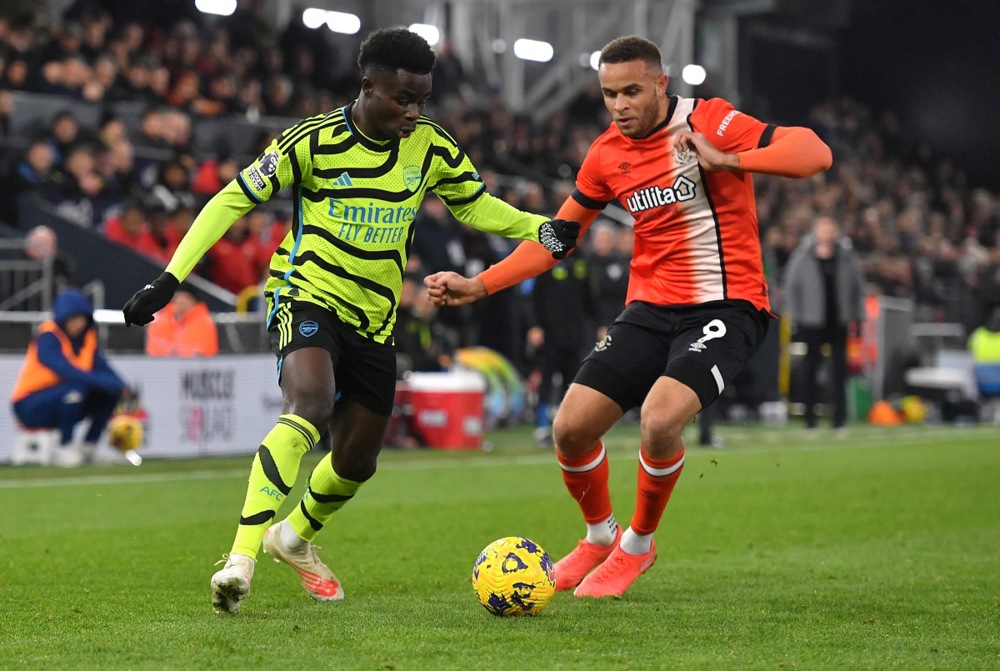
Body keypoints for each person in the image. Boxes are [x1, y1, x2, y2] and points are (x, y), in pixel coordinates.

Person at [121, 27, 580, 615]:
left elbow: (473, 204)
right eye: (403, 99)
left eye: (423, 101)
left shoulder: (431, 148)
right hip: (306, 294)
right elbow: (232, 199)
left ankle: (292, 538)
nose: (415, 112)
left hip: (376, 316)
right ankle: (239, 560)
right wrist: (168, 280)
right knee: (308, 405)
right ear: (369, 87)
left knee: (357, 460)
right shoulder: (311, 141)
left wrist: (537, 226)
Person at [425, 35, 832, 597]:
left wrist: (730, 159)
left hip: (727, 303)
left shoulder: (708, 121)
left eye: (632, 91)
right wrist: (480, 283)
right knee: (570, 428)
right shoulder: (605, 155)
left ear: (661, 85)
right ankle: (598, 536)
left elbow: (815, 152)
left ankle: (637, 546)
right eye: (609, 94)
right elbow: (558, 237)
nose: (619, 105)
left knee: (660, 419)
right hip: (650, 308)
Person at [11, 288, 125, 467]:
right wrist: (104, 382)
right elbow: (64, 370)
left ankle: (90, 446)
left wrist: (120, 386)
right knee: (75, 390)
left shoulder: (87, 338)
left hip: (66, 399)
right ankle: (66, 446)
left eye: (82, 318)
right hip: (29, 404)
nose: (78, 323)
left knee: (108, 393)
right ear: (63, 318)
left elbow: (102, 365)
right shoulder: (48, 335)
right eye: (73, 318)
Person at [783, 215, 865, 432]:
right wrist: (796, 317)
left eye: (830, 228)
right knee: (810, 370)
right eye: (823, 228)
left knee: (840, 371)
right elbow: (792, 288)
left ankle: (839, 420)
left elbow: (858, 287)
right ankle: (810, 420)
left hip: (838, 321)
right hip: (812, 322)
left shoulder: (846, 257)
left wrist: (858, 316)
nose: (827, 232)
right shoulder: (803, 257)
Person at [145, 283, 219, 357]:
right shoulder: (161, 319)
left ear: (194, 301)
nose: (181, 301)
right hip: (162, 365)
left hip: (193, 366)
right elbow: (153, 348)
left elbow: (204, 351)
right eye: (178, 298)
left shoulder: (204, 322)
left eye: (186, 298)